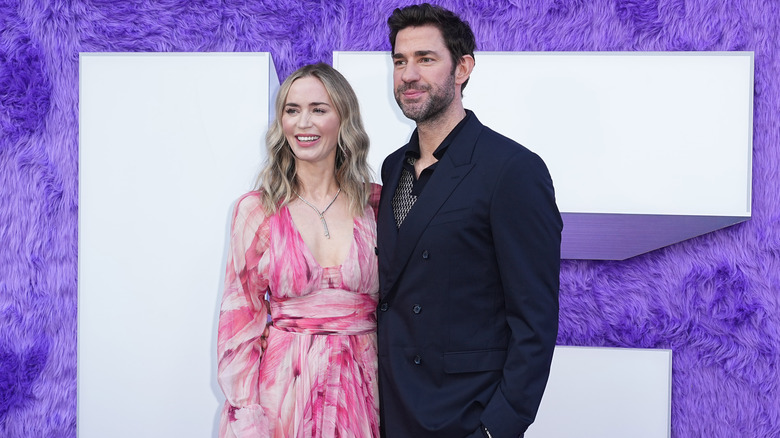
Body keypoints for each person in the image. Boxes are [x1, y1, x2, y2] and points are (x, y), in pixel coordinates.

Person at [376, 4, 563, 437]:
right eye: (400, 61)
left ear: (462, 68)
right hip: (391, 409)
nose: (407, 74)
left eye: (425, 59)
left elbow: (535, 319)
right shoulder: (391, 168)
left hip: (465, 414)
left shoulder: (512, 169)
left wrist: (498, 427)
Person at [217, 63, 381, 438]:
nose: (303, 123)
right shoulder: (257, 210)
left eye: (318, 109)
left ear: (344, 119)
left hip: (366, 392)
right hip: (282, 400)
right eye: (292, 110)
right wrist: (247, 416)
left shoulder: (378, 203)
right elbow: (239, 324)